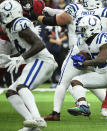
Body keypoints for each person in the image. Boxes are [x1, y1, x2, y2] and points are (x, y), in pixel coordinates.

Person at [28, 0, 107, 121]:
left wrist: (37, 16)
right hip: (98, 53)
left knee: (64, 83)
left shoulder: (75, 9)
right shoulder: (105, 13)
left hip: (78, 51)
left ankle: (56, 112)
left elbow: (57, 20)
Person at [0, 0, 57, 130]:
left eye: (2, 15)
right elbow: (25, 50)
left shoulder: (19, 23)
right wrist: (8, 58)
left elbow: (39, 45)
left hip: (42, 60)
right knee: (11, 92)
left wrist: (21, 57)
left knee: (21, 86)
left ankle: (38, 119)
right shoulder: (11, 27)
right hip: (35, 61)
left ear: (10, 14)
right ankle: (31, 123)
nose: (1, 18)